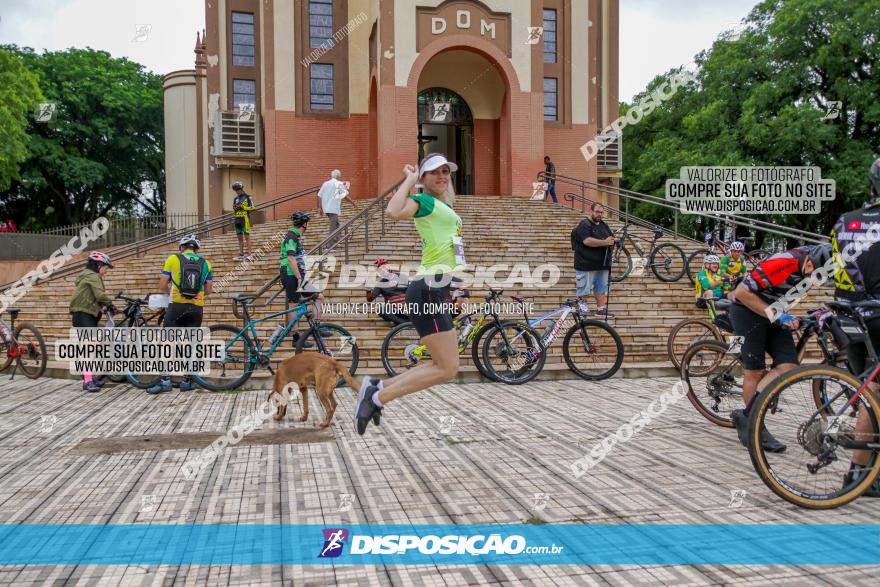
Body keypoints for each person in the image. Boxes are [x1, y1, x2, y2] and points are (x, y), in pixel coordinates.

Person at [354, 153, 464, 435]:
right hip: (428, 289)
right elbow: (392, 210)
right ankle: (376, 399)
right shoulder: (425, 202)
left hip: (435, 288)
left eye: (445, 171)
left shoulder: (440, 205)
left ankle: (377, 387)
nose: (441, 176)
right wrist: (409, 179)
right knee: (447, 368)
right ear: (424, 179)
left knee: (442, 364)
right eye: (434, 173)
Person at [729, 244, 832, 452]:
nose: (815, 283)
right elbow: (740, 293)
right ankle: (754, 427)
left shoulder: (816, 265)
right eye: (815, 278)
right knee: (755, 370)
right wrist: (780, 316)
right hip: (747, 310)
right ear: (809, 264)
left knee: (789, 366)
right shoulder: (783, 263)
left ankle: (747, 415)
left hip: (774, 311)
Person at [829, 157, 880, 497]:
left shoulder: (845, 221)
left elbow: (838, 269)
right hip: (876, 314)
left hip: (847, 316)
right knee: (875, 394)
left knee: (871, 394)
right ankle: (861, 474)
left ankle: (862, 473)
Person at [147, 234, 213, 394]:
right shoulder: (206, 264)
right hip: (196, 309)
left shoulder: (173, 259)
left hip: (176, 306)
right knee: (191, 345)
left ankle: (165, 382)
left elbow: (162, 285)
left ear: (182, 247)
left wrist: (172, 291)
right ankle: (186, 382)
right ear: (196, 249)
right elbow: (209, 290)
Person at [69, 251, 115, 392]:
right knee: (90, 348)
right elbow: (100, 295)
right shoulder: (93, 276)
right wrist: (111, 304)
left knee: (94, 346)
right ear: (98, 265)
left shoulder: (88, 276)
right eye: (105, 268)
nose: (105, 272)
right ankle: (88, 381)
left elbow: (90, 298)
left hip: (85, 314)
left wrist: (104, 309)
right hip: (83, 315)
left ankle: (89, 377)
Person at [280, 211, 322, 346]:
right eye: (307, 222)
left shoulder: (294, 236)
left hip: (296, 274)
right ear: (305, 224)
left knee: (319, 297)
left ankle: (316, 328)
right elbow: (290, 258)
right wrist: (299, 278)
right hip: (291, 275)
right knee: (294, 304)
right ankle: (296, 338)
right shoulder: (291, 237)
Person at [571, 203, 614, 316]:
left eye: (601, 212)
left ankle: (601, 309)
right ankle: (583, 308)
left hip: (602, 264)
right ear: (591, 211)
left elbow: (610, 238)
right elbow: (587, 241)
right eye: (597, 211)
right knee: (584, 287)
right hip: (586, 263)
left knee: (601, 287)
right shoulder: (584, 224)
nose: (599, 214)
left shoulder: (604, 225)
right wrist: (605, 242)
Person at [317, 170, 359, 247]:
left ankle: (336, 240)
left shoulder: (325, 183)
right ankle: (330, 245)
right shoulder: (339, 184)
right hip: (333, 208)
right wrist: (353, 203)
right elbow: (345, 196)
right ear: (338, 176)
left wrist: (320, 208)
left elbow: (319, 195)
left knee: (336, 224)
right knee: (333, 226)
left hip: (326, 208)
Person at [368, 258, 409, 325]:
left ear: (388, 266)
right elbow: (370, 299)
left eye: (384, 267)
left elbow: (411, 291)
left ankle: (406, 321)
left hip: (407, 307)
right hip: (394, 310)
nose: (383, 270)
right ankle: (403, 324)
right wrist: (368, 290)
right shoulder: (380, 284)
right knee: (381, 310)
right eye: (380, 270)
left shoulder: (402, 276)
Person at [231, 181, 256, 261]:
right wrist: (235, 208)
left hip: (244, 219)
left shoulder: (248, 197)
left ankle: (250, 254)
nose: (237, 191)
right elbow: (234, 209)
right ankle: (241, 253)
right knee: (239, 238)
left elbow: (253, 207)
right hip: (237, 219)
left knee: (247, 237)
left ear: (241, 189)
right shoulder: (235, 199)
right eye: (235, 190)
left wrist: (244, 208)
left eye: (238, 190)